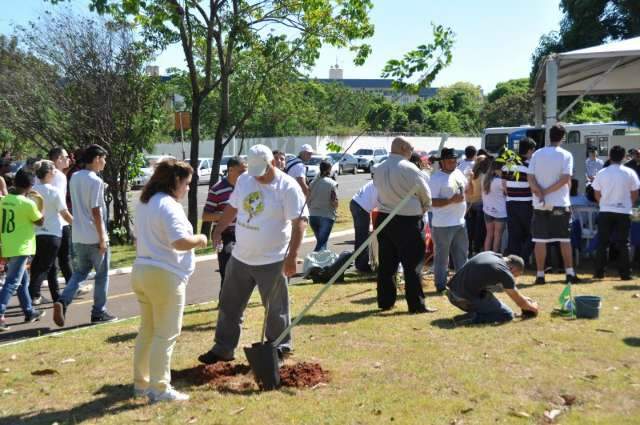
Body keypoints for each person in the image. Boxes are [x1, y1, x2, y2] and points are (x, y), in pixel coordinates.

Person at [198, 144, 307, 364]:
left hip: (273, 259)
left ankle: (279, 349)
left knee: (276, 310)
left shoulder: (288, 187)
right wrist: (219, 229)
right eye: (254, 173)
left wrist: (292, 256)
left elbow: (300, 223)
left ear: (273, 164)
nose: (257, 178)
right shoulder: (245, 179)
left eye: (262, 173)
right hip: (241, 257)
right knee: (229, 306)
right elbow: (232, 207)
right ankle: (223, 348)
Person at [132, 159, 207, 403]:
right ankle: (160, 388)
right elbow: (179, 242)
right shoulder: (168, 205)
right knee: (166, 334)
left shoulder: (145, 203)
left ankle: (141, 384)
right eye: (186, 184)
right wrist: (200, 239)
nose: (187, 189)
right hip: (164, 276)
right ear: (175, 181)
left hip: (142, 270)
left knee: (148, 331)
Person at [53, 144, 118, 327]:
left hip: (78, 234)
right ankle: (99, 312)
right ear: (97, 159)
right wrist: (102, 237)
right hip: (94, 235)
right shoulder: (95, 181)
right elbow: (96, 211)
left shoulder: (74, 176)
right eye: (103, 159)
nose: (104, 163)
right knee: (102, 274)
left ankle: (63, 300)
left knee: (80, 272)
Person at [373, 137, 434, 313]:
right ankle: (416, 304)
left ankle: (385, 301)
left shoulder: (379, 168)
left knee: (386, 264)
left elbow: (378, 189)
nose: (412, 151)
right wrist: (423, 208)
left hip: (385, 218)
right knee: (412, 264)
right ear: (402, 148)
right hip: (407, 220)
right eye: (410, 148)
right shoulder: (409, 168)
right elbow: (425, 194)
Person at [527, 123, 580, 284]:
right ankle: (569, 273)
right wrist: (547, 191)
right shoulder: (566, 155)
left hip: (540, 203)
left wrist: (539, 191)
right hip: (559, 202)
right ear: (563, 137)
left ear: (549, 136)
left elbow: (530, 177)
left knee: (540, 240)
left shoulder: (537, 154)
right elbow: (565, 179)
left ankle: (540, 274)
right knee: (564, 239)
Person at [0, 169, 46, 331]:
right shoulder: (28, 203)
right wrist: (41, 203)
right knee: (12, 282)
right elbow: (40, 221)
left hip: (7, 244)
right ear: (30, 186)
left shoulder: (3, 200)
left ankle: (29, 311)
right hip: (21, 247)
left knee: (23, 282)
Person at [446, 252, 539, 324]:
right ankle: (473, 318)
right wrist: (533, 308)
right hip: (463, 299)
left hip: (452, 293)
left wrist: (522, 298)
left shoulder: (490, 254)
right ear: (512, 269)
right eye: (515, 275)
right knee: (507, 315)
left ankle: (473, 315)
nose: (513, 278)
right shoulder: (504, 271)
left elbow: (510, 292)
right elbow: (520, 303)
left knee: (498, 306)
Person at [592, 145, 640, 280]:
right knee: (623, 243)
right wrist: (628, 204)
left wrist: (602, 203)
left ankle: (599, 272)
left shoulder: (602, 173)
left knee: (603, 242)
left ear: (609, 156)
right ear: (624, 157)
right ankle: (625, 273)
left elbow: (596, 192)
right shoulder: (630, 173)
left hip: (606, 210)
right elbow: (635, 192)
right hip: (623, 210)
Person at [29, 161, 74, 304]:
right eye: (53, 171)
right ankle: (31, 295)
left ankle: (55, 296)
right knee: (45, 268)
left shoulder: (31, 191)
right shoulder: (54, 191)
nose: (55, 173)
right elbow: (65, 214)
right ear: (48, 174)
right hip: (53, 234)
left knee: (41, 266)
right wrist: (78, 225)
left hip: (36, 234)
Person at [429, 147, 472, 293]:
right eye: (450, 161)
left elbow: (467, 191)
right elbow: (431, 202)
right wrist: (451, 200)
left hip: (460, 222)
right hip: (442, 225)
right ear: (442, 162)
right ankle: (440, 285)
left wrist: (471, 180)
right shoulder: (435, 179)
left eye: (455, 161)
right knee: (442, 257)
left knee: (462, 255)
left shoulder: (459, 173)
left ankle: (462, 284)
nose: (453, 163)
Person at [202, 156, 247, 285]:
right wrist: (226, 214)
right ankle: (225, 301)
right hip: (225, 234)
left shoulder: (247, 187)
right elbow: (206, 216)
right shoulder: (217, 189)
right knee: (227, 268)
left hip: (245, 233)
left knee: (246, 269)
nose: (245, 175)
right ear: (231, 170)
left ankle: (240, 300)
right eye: (241, 172)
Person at [45, 147, 76, 293]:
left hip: (46, 223)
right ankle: (72, 287)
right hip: (60, 222)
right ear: (58, 159)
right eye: (66, 157)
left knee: (51, 262)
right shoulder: (59, 176)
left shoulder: (45, 175)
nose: (68, 159)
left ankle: (54, 292)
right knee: (64, 257)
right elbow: (59, 202)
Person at [503, 138, 536, 264]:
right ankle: (523, 258)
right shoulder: (529, 166)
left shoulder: (508, 164)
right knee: (532, 233)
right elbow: (533, 186)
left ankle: (513, 262)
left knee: (514, 234)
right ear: (530, 150)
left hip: (510, 202)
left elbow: (504, 185)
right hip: (526, 202)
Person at [308, 161, 338, 251]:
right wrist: (336, 207)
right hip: (326, 216)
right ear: (329, 169)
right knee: (321, 244)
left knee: (321, 242)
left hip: (313, 216)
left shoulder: (312, 183)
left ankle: (323, 263)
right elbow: (334, 202)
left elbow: (308, 199)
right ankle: (312, 262)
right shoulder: (332, 183)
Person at [350, 180, 378, 272]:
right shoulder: (382, 183)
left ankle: (360, 263)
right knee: (362, 237)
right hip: (361, 207)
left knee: (361, 236)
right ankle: (362, 265)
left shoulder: (377, 180)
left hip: (357, 204)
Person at [481, 158, 507, 252]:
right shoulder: (502, 182)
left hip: (487, 210)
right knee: (498, 235)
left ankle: (486, 255)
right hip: (500, 212)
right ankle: (494, 257)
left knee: (489, 234)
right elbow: (508, 194)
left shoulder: (485, 179)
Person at [466, 155, 489, 256]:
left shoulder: (470, 174)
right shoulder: (484, 175)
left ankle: (469, 249)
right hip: (480, 204)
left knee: (469, 229)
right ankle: (477, 249)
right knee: (479, 230)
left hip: (469, 204)